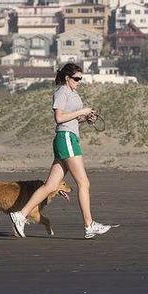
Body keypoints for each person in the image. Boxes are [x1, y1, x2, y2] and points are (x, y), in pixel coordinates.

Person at [9, 63, 112, 239]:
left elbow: (70, 119)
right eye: (76, 78)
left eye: (81, 78)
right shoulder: (61, 92)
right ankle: (89, 225)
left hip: (67, 137)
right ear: (67, 78)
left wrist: (85, 118)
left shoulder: (73, 93)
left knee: (50, 185)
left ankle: (20, 214)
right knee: (84, 183)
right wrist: (82, 111)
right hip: (65, 138)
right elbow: (59, 118)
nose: (79, 81)